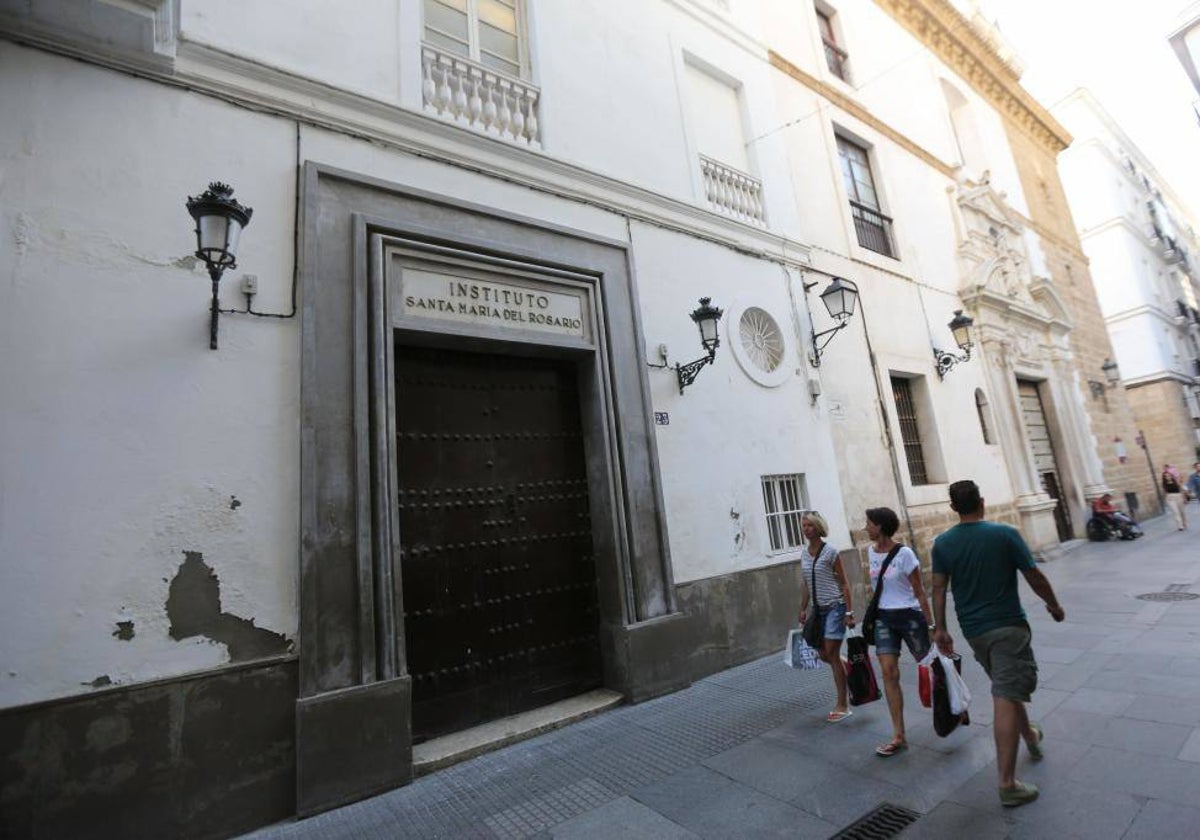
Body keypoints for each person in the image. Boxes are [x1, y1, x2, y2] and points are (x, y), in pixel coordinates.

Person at [931, 480, 1065, 808]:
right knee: (1004, 694)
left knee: (1007, 687)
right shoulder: (1004, 534)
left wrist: (941, 628)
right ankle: (1007, 783)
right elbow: (1033, 575)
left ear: (953, 508)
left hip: (974, 632)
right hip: (1008, 628)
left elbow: (937, 588)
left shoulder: (942, 544)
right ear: (982, 501)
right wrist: (1053, 605)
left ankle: (1030, 737)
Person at [864, 507, 933, 757]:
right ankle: (899, 735)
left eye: (869, 524)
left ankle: (954, 704)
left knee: (931, 666)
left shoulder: (904, 554)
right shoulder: (869, 552)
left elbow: (919, 590)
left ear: (880, 526)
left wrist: (932, 624)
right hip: (884, 618)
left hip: (910, 617)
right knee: (888, 672)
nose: (866, 528)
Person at [798, 511, 856, 723]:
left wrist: (849, 612)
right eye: (804, 525)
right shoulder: (804, 554)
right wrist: (803, 608)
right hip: (818, 610)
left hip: (835, 607)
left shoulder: (831, 552)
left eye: (810, 525)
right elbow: (806, 583)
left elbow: (844, 584)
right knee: (824, 655)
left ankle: (843, 705)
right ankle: (847, 666)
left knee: (831, 653)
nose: (806, 529)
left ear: (818, 527)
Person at [1162, 464, 1188, 530]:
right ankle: (1180, 526)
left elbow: (1181, 489)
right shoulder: (1164, 484)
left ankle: (1184, 523)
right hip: (1170, 498)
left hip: (1178, 496)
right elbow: (1165, 492)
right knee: (1175, 512)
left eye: (1168, 475)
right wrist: (1165, 500)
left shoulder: (1176, 481)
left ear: (1171, 475)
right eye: (1165, 476)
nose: (1167, 477)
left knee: (1182, 512)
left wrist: (1184, 498)